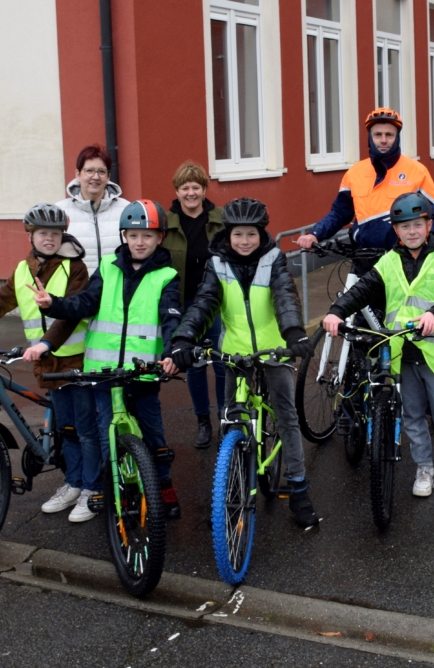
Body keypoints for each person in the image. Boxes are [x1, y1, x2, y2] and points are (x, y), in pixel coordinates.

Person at [0, 204, 100, 522]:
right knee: (66, 428)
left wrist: (45, 343)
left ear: (62, 235)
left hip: (75, 359)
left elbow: (73, 314)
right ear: (31, 235)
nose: (49, 239)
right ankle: (73, 483)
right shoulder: (23, 270)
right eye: (43, 233)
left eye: (54, 233)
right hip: (47, 363)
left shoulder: (74, 267)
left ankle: (91, 489)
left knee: (85, 429)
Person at [168, 198, 318, 527]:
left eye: (251, 234)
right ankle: (229, 491)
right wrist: (184, 338)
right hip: (234, 352)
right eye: (238, 234)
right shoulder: (217, 263)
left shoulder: (273, 259)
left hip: (275, 350)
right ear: (228, 234)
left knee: (286, 418)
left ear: (261, 233)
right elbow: (205, 302)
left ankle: (298, 489)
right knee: (230, 421)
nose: (245, 241)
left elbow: (284, 296)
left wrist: (294, 333)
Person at [34, 199, 183, 519]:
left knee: (153, 435)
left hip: (142, 373)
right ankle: (112, 488)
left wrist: (172, 351)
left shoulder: (167, 275)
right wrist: (53, 304)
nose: (139, 242)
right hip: (103, 374)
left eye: (147, 236)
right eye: (133, 235)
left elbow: (171, 317)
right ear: (124, 237)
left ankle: (164, 484)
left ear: (159, 238)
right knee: (106, 436)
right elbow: (84, 304)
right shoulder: (107, 269)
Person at [322, 192, 434, 500]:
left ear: (429, 225)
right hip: (402, 351)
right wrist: (337, 311)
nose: (412, 231)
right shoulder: (388, 262)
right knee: (413, 415)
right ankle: (425, 469)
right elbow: (363, 290)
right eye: (405, 227)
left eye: (418, 224)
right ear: (397, 230)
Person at [296, 108, 434, 251]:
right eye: (378, 135)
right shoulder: (355, 172)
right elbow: (340, 213)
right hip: (362, 256)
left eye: (389, 135)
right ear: (370, 138)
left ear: (397, 137)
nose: (383, 140)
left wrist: (422, 251)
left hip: (402, 259)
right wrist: (315, 234)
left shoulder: (417, 171)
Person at [160, 160, 226, 449]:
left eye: (195, 187)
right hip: (184, 303)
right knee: (195, 365)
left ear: (204, 189)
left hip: (217, 303)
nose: (190, 193)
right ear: (177, 190)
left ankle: (226, 418)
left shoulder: (220, 219)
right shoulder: (167, 223)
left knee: (224, 363)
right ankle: (203, 421)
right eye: (185, 188)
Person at [57, 144, 130, 273]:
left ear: (108, 176)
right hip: (77, 290)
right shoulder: (60, 211)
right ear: (78, 174)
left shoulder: (126, 209)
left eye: (101, 171)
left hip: (116, 289)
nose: (95, 177)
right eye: (89, 171)